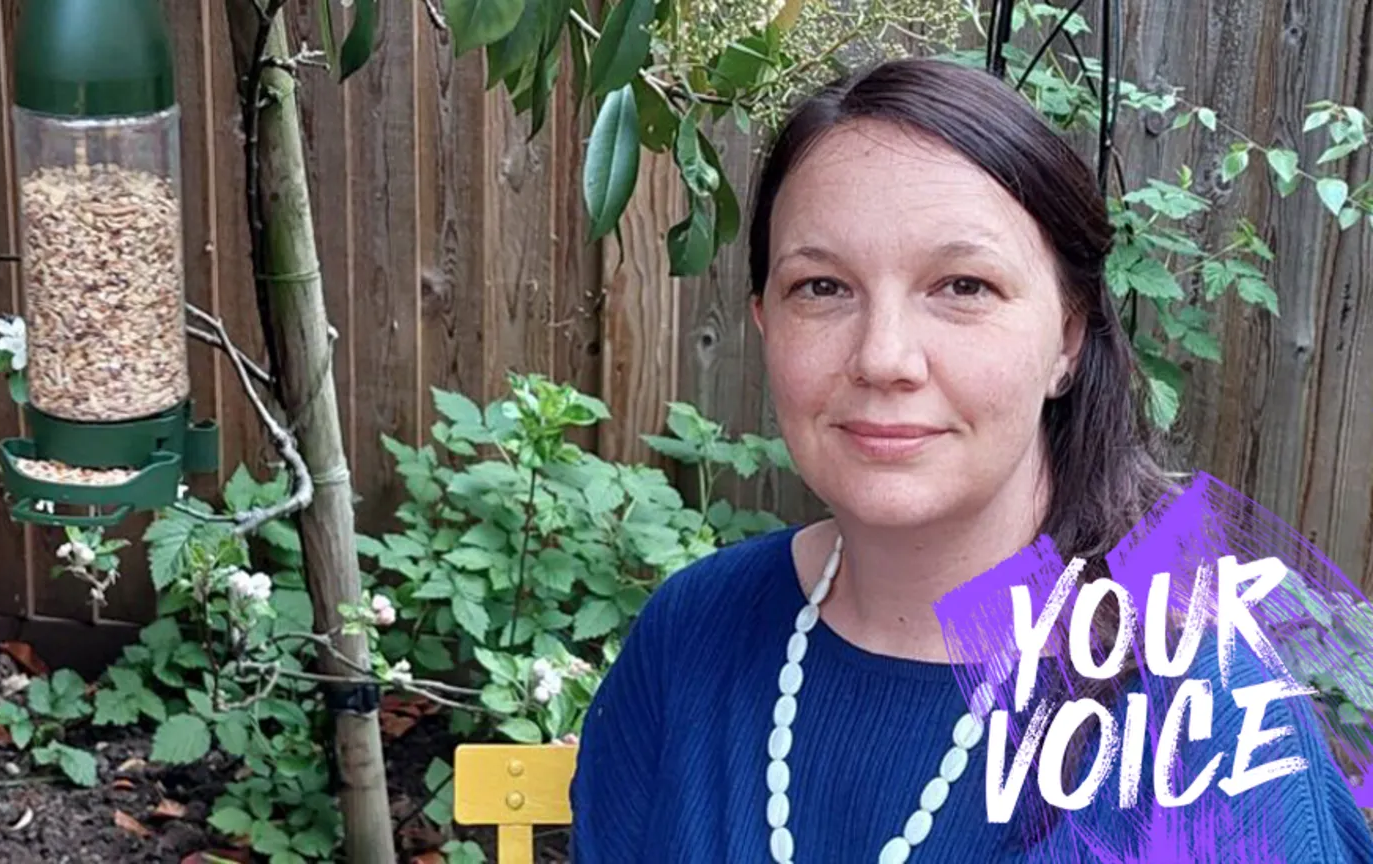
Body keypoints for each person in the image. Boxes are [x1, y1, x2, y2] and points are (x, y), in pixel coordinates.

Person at [567, 58, 1373, 863]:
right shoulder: (691, 635)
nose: (884, 358)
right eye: (821, 287)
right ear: (765, 323)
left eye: (962, 285)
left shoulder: (1206, 721)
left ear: (1067, 335)